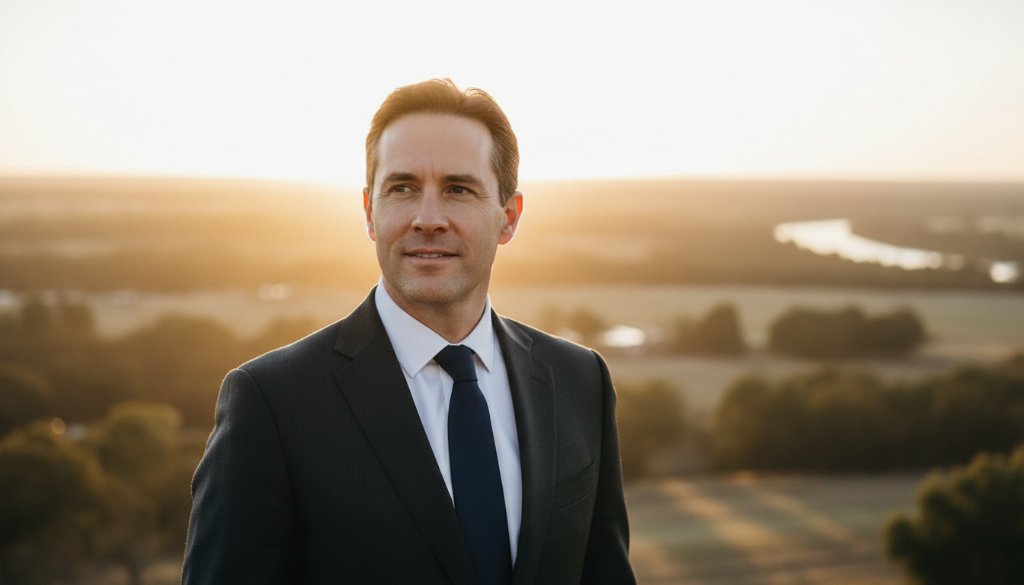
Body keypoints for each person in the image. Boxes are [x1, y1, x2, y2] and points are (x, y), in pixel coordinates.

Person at [182, 78, 636, 585]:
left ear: (508, 218)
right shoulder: (273, 402)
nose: (427, 218)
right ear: (370, 212)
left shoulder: (579, 380)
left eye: (458, 190)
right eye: (402, 188)